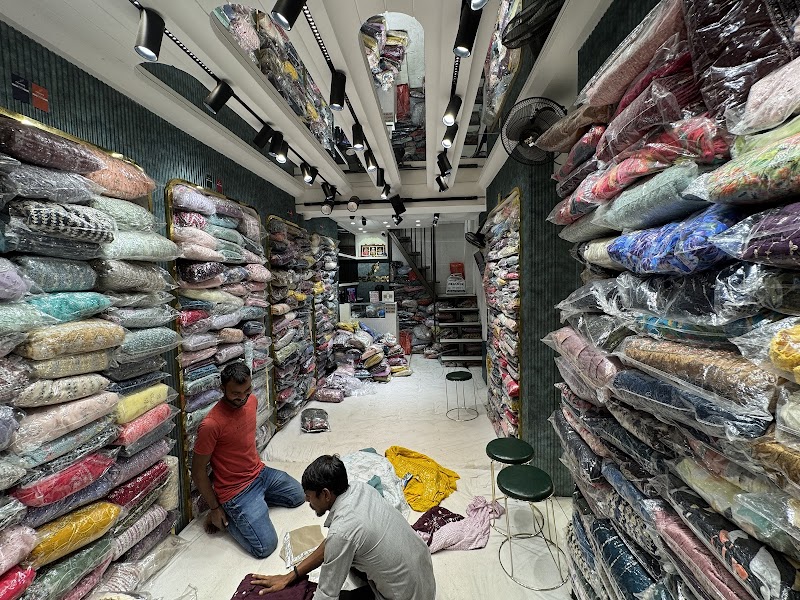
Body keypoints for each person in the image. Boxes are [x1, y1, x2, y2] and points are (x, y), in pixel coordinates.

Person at [250, 455, 436, 600]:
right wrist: (291, 576)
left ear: (325, 494)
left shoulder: (343, 531)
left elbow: (326, 594)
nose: (307, 501)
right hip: (425, 583)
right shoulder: (361, 488)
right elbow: (333, 543)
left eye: (309, 496)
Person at [192, 362, 304, 558]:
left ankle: (254, 507)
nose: (242, 397)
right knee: (265, 547)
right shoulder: (211, 425)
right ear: (222, 389)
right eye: (236, 393)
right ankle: (230, 516)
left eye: (247, 390)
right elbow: (198, 471)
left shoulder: (252, 401)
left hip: (260, 473)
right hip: (236, 491)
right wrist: (215, 508)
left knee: (299, 495)